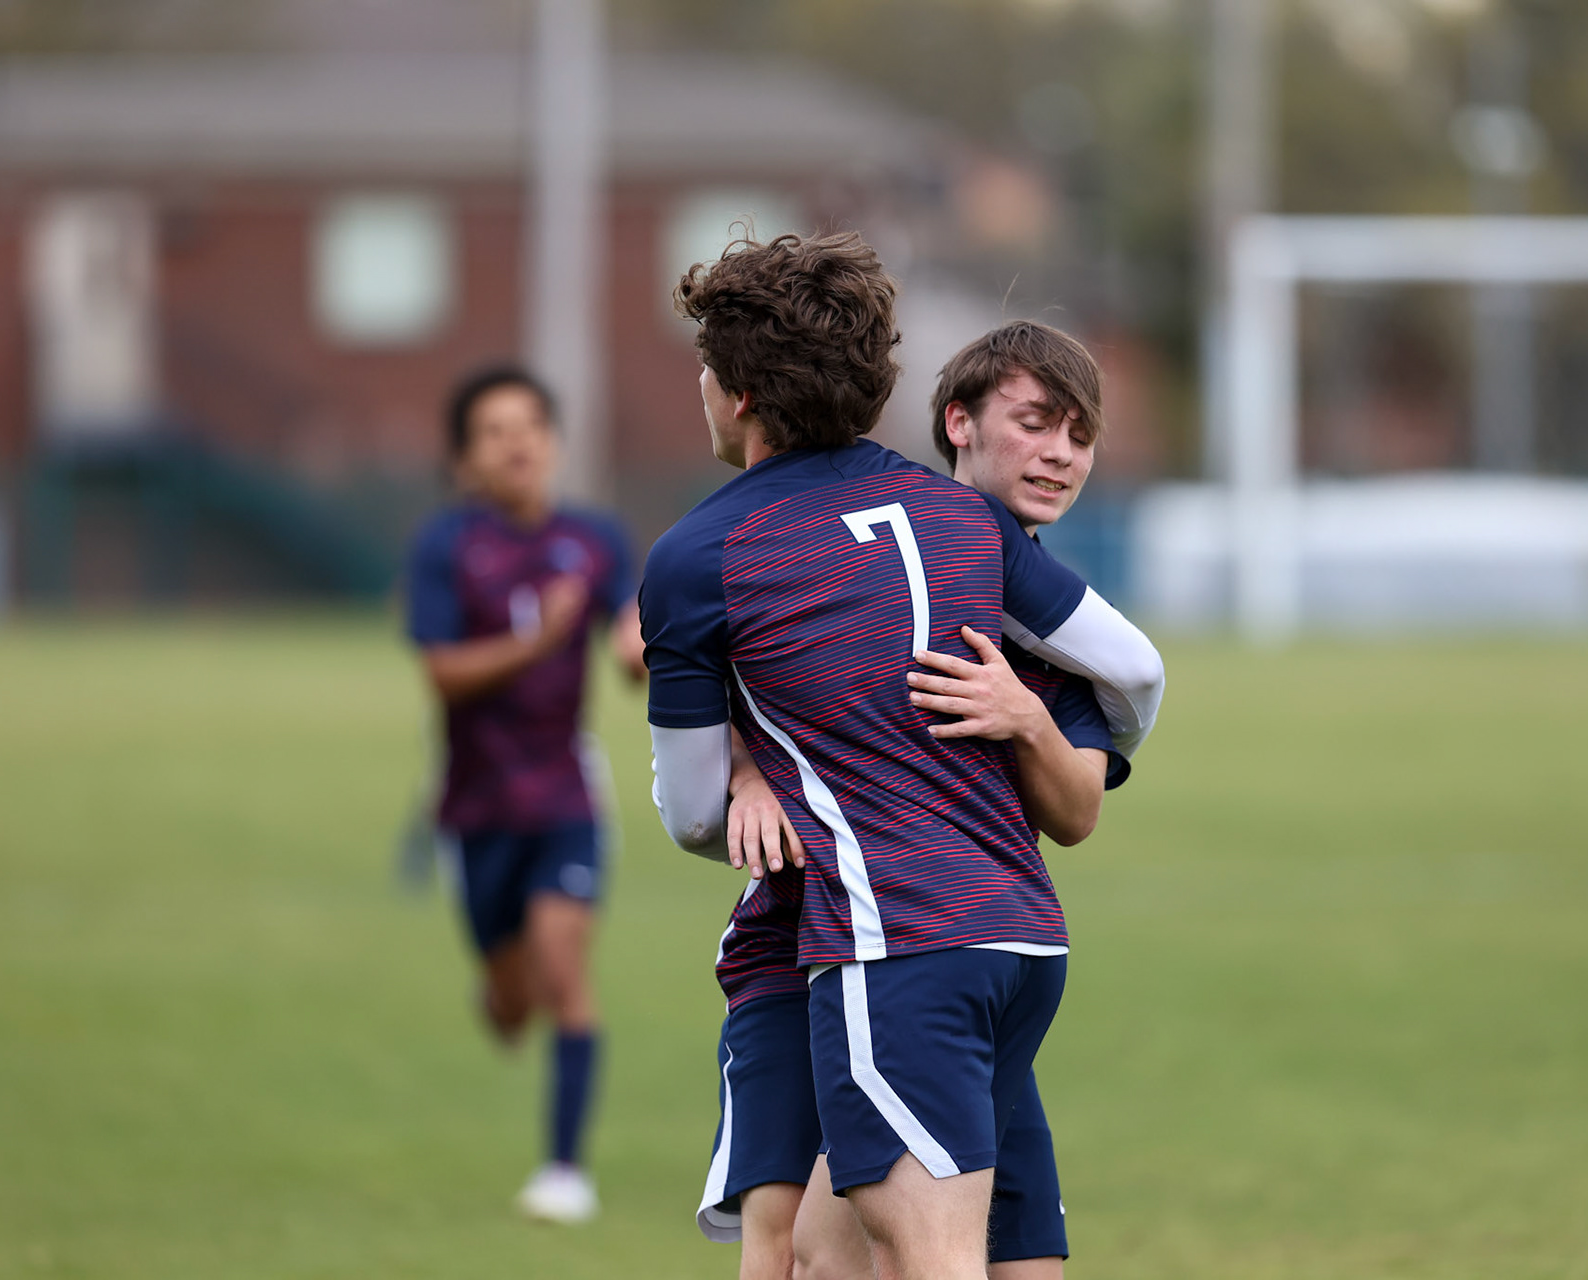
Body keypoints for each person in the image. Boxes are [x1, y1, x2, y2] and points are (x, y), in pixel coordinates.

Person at [643, 232, 1163, 1280]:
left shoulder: (700, 555)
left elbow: (693, 813)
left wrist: (759, 786)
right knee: (829, 1257)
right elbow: (1136, 668)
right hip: (1021, 940)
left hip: (891, 946)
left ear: (738, 392)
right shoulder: (965, 519)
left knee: (921, 1258)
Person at [404, 364, 645, 1223]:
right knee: (512, 1006)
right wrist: (540, 640)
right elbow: (441, 674)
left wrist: (637, 649)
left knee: (564, 969)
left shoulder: (595, 538)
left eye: (531, 426)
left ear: (553, 442)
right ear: (466, 458)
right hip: (474, 809)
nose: (517, 443)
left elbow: (629, 632)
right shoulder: (446, 546)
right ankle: (498, 990)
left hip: (566, 800)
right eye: (495, 431)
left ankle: (564, 1172)